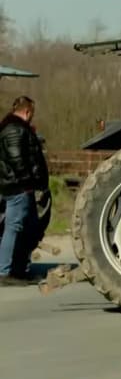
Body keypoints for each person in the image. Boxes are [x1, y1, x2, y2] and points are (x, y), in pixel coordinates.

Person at [0, 96, 49, 286]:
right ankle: (4, 272)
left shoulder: (14, 128)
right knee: (14, 228)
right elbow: (17, 158)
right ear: (27, 111)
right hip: (18, 187)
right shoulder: (14, 129)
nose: (32, 118)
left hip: (21, 187)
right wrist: (29, 180)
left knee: (27, 229)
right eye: (32, 114)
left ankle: (20, 269)